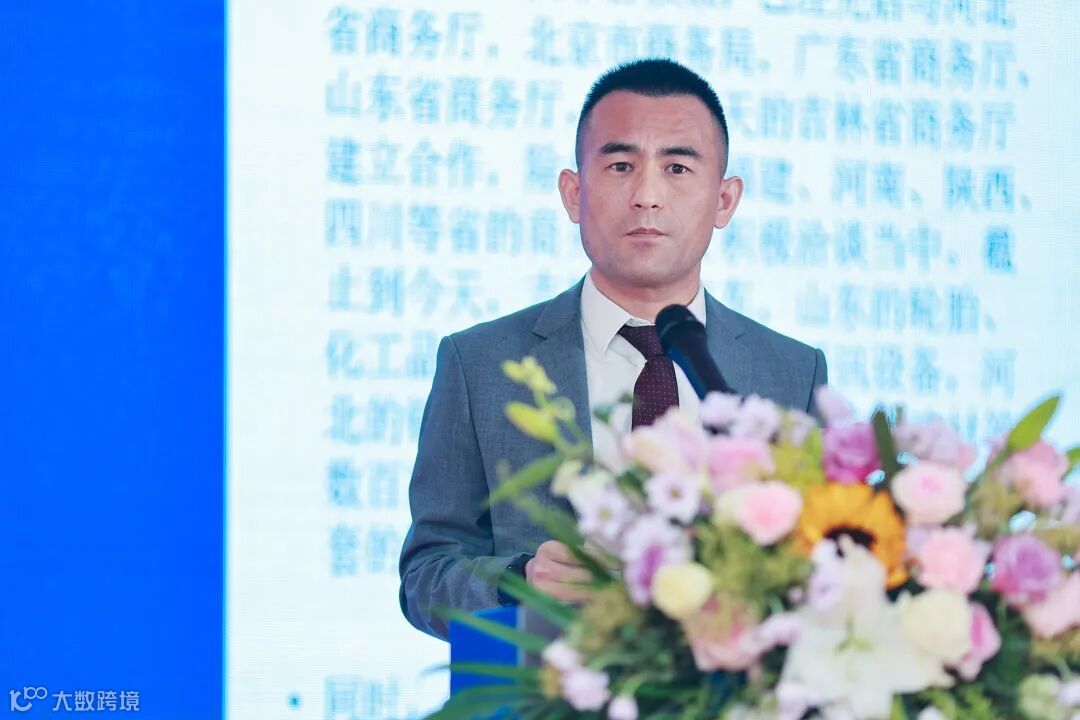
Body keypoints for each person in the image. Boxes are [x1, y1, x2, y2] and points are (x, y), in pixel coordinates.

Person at [398, 58, 828, 640]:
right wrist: (519, 583)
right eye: (621, 165)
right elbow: (425, 575)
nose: (647, 196)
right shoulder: (479, 364)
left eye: (677, 167)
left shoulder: (792, 373)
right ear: (573, 193)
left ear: (725, 201)